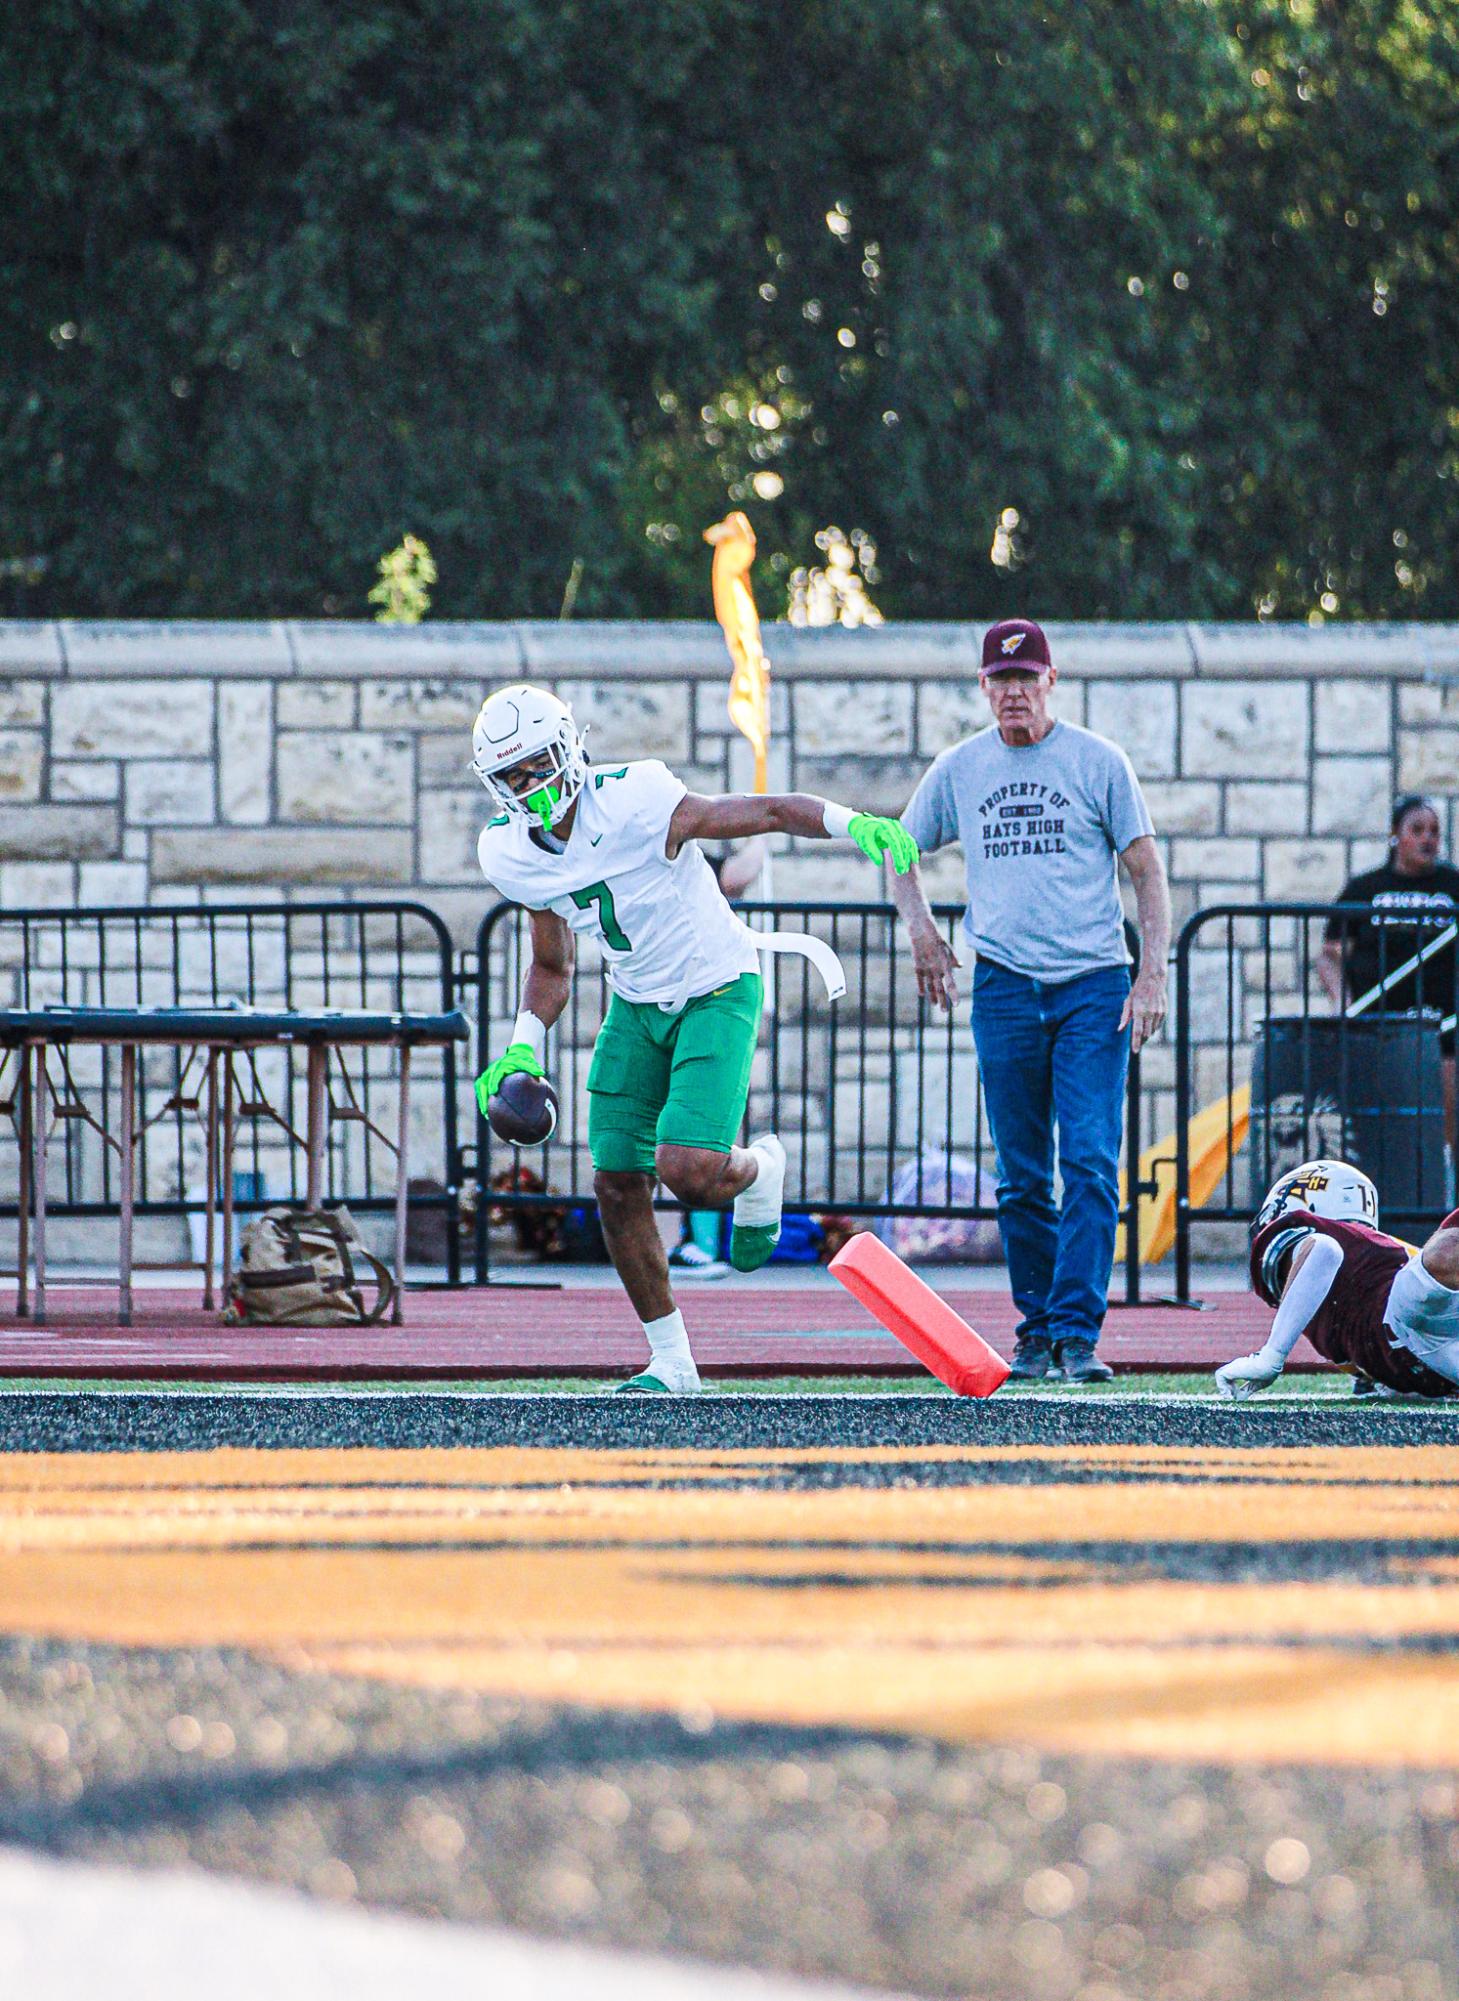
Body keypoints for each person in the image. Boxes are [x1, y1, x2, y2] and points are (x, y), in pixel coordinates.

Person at [472, 683, 918, 1393]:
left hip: (717, 985)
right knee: (616, 1182)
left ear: (569, 748)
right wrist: (522, 1043)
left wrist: (852, 822)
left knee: (688, 1171)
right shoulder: (509, 852)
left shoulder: (638, 797)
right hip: (636, 1002)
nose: (531, 787)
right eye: (513, 776)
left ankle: (757, 1170)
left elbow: (763, 810)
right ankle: (673, 1361)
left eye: (537, 765)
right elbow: (552, 962)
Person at [887, 617, 1171, 1385]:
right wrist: (922, 934)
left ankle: (1076, 1334)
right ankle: (1034, 1327)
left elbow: (1145, 869)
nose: (1013, 693)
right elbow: (896, 849)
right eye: (999, 681)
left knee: (1087, 1160)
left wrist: (1152, 974)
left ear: (1051, 681)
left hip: (1091, 984)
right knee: (1019, 1173)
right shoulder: (959, 768)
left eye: (1026, 679)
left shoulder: (1096, 761)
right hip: (1005, 984)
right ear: (983, 688)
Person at [1217, 1157, 1459, 1400]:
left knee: (1445, 1253)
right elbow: (1324, 1254)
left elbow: (1323, 1251)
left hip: (1418, 1350)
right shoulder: (1332, 1276)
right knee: (1446, 1252)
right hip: (1414, 1339)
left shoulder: (1319, 1251)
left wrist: (1270, 1357)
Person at [1318, 794, 1459, 1159]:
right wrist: (1342, 1003)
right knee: (1376, 1121)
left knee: (1445, 1117)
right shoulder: (1365, 888)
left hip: (1442, 1026)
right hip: (1376, 1026)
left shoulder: (1453, 885)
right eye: (1417, 830)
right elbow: (1330, 956)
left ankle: (1444, 1196)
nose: (1427, 839)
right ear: (1396, 834)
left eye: (1434, 831)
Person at [669, 837, 769, 1280]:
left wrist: (762, 834)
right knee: (676, 1127)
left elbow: (736, 875)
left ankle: (704, 1241)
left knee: (706, 1127)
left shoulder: (699, 873)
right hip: (674, 1006)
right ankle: (693, 1239)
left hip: (713, 1006)